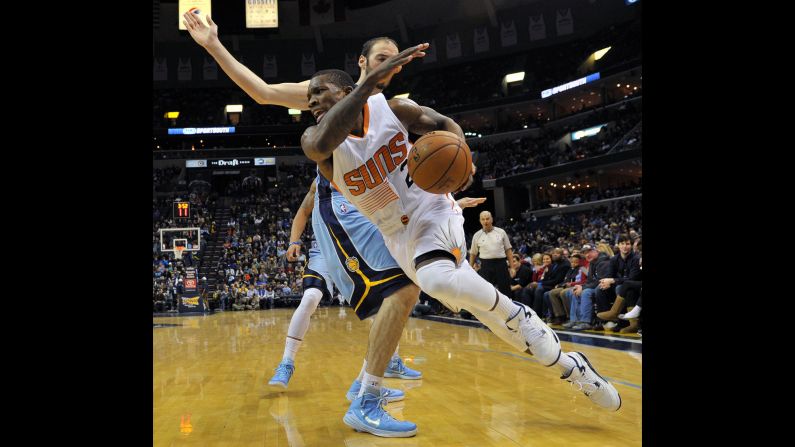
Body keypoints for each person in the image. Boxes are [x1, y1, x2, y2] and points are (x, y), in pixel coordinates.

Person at [300, 50, 621, 436]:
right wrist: (368, 82)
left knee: (435, 283)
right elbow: (320, 144)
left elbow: (443, 123)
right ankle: (569, 366)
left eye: (321, 91)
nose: (312, 99)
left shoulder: (394, 110)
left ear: (346, 89)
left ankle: (520, 316)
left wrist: (463, 154)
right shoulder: (316, 140)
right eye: (309, 96)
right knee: (481, 311)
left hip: (433, 209)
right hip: (397, 234)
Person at [469, 211, 513, 296]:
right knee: (486, 292)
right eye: (483, 219)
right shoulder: (476, 235)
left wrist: (512, 267)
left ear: (492, 219)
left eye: (487, 219)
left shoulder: (501, 232)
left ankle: (508, 308)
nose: (485, 221)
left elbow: (508, 250)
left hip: (501, 264)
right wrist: (470, 269)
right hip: (486, 265)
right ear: (480, 221)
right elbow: (473, 253)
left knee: (505, 289)